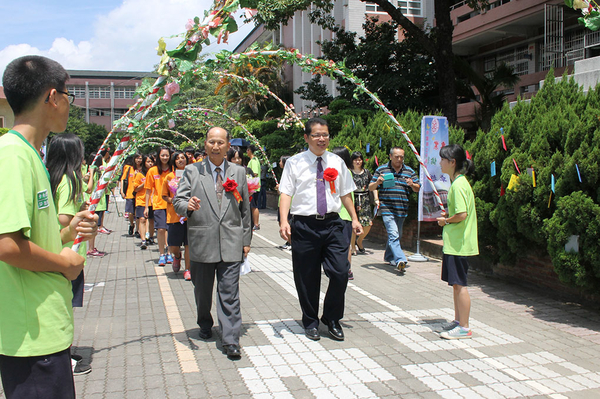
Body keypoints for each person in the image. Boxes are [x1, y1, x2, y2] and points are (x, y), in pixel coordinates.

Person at [0, 55, 98, 398]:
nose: (69, 104)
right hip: (31, 336)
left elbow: (33, 238)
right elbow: (7, 246)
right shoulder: (13, 156)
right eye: (68, 95)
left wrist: (69, 234)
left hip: (44, 331)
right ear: (52, 97)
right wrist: (67, 264)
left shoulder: (32, 155)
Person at [279, 118, 362, 342]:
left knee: (340, 272)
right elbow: (285, 193)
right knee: (307, 277)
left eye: (325, 134)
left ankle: (332, 318)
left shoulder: (337, 162)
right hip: (304, 225)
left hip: (333, 223)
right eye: (316, 135)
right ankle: (310, 321)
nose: (322, 139)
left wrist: (354, 218)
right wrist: (283, 221)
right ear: (307, 137)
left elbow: (345, 193)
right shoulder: (294, 163)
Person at [173, 126, 251, 360]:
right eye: (211, 142)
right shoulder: (191, 171)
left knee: (229, 292)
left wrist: (246, 240)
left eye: (220, 142)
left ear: (228, 146)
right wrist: (187, 206)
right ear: (205, 144)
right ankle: (204, 321)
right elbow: (178, 199)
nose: (215, 146)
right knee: (203, 291)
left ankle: (230, 339)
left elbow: (245, 209)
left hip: (231, 242)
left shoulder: (238, 172)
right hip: (202, 240)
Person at [46, 133, 94, 376]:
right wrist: (81, 215)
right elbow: (65, 218)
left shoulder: (52, 178)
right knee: (65, 307)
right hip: (68, 254)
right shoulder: (69, 180)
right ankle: (64, 357)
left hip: (56, 252)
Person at [436, 144, 478, 340]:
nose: (440, 163)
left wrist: (446, 220)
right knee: (455, 284)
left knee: (460, 284)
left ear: (452, 162)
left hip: (459, 244)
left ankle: (465, 327)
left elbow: (462, 214)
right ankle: (458, 320)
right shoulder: (458, 183)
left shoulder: (459, 185)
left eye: (443, 159)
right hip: (455, 243)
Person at [369, 147, 420, 273]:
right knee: (393, 234)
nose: (399, 159)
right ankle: (400, 260)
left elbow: (418, 188)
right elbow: (371, 187)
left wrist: (412, 184)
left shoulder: (409, 171)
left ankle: (388, 256)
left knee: (397, 235)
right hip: (387, 207)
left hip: (402, 208)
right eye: (397, 156)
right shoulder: (382, 169)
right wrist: (378, 182)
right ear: (390, 156)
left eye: (402, 157)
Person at [162, 151, 191, 281]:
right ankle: (177, 256)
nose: (181, 160)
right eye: (178, 158)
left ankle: (188, 269)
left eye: (183, 158)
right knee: (173, 246)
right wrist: (174, 201)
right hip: (174, 216)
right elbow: (164, 195)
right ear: (174, 161)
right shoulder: (169, 177)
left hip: (189, 215)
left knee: (189, 244)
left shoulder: (192, 175)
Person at [331, 147, 356, 281]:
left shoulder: (344, 172)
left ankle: (348, 269)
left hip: (344, 215)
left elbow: (347, 196)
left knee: (345, 245)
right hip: (337, 214)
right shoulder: (340, 171)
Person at [145, 147, 173, 266]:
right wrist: (146, 207)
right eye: (162, 155)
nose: (165, 158)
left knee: (171, 230)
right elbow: (148, 190)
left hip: (172, 203)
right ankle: (162, 254)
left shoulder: (173, 170)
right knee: (161, 229)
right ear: (158, 156)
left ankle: (170, 252)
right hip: (158, 203)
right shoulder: (152, 171)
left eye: (167, 155)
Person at [350, 151, 378, 255]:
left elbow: (373, 186)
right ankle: (352, 247)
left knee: (368, 224)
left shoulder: (367, 172)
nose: (358, 161)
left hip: (365, 200)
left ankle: (359, 241)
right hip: (354, 199)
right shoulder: (349, 172)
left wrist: (376, 198)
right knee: (354, 224)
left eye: (360, 159)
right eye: (355, 159)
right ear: (352, 161)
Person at [84, 154, 108, 257]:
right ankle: (90, 248)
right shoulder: (91, 173)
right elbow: (89, 187)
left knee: (94, 226)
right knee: (92, 225)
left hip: (99, 201)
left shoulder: (100, 172)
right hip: (92, 201)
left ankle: (92, 247)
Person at [134, 155, 154, 250]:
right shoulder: (139, 174)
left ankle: (150, 236)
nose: (150, 163)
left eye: (151, 161)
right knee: (142, 219)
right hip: (141, 201)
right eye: (148, 161)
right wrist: (145, 183)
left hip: (153, 201)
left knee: (151, 220)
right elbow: (136, 188)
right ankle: (143, 240)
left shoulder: (155, 173)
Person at [120, 153, 142, 236]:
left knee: (138, 213)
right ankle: (132, 224)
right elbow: (123, 179)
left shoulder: (142, 169)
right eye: (137, 158)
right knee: (130, 212)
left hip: (140, 194)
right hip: (130, 193)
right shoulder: (129, 168)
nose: (139, 160)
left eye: (140, 158)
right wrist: (122, 191)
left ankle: (137, 230)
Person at [275, 155, 291, 250]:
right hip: (281, 203)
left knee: (287, 223)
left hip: (289, 205)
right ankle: (288, 241)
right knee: (281, 222)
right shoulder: (284, 173)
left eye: (280, 161)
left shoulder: (290, 174)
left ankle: (291, 242)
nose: (279, 163)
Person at [246, 145, 261, 230]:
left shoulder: (254, 160)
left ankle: (256, 224)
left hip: (254, 188)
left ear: (249, 150)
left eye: (247, 150)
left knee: (254, 206)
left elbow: (255, 173)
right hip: (252, 188)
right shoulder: (253, 160)